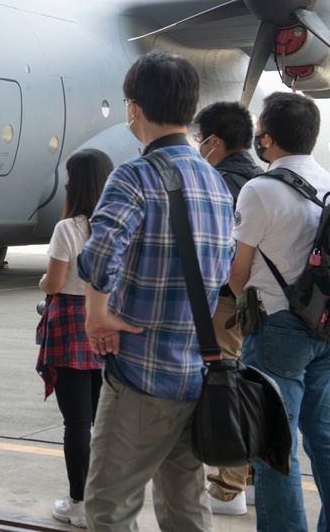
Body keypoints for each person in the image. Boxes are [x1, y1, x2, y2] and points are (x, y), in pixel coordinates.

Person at [77, 50, 234, 531]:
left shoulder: (135, 175)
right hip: (198, 373)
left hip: (142, 376)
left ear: (133, 109)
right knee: (186, 505)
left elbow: (100, 256)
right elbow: (223, 269)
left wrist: (97, 314)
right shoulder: (216, 182)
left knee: (109, 506)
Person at [227, 91, 330, 532]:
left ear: (265, 139)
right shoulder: (327, 183)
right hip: (324, 327)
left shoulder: (260, 189)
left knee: (274, 448)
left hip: (275, 328)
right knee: (324, 439)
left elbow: (238, 271)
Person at [191, 101, 262, 516]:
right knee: (248, 383)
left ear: (215, 142)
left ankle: (227, 484)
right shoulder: (263, 180)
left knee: (222, 387)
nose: (198, 147)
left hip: (223, 301)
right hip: (260, 304)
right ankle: (250, 477)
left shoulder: (215, 182)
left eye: (201, 140)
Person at [36, 148, 113, 528]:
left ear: (77, 182)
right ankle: (107, 500)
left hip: (70, 323)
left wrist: (43, 283)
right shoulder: (120, 226)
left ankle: (79, 503)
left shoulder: (68, 228)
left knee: (77, 422)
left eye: (68, 175)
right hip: (111, 325)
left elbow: (52, 281)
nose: (64, 181)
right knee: (108, 420)